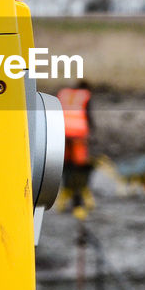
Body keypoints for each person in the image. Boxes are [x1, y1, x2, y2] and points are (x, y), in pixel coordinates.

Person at [57, 82, 94, 214]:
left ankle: (64, 196)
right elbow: (88, 115)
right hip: (78, 134)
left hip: (63, 132)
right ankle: (78, 201)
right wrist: (91, 131)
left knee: (66, 165)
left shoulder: (63, 93)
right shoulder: (85, 95)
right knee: (79, 168)